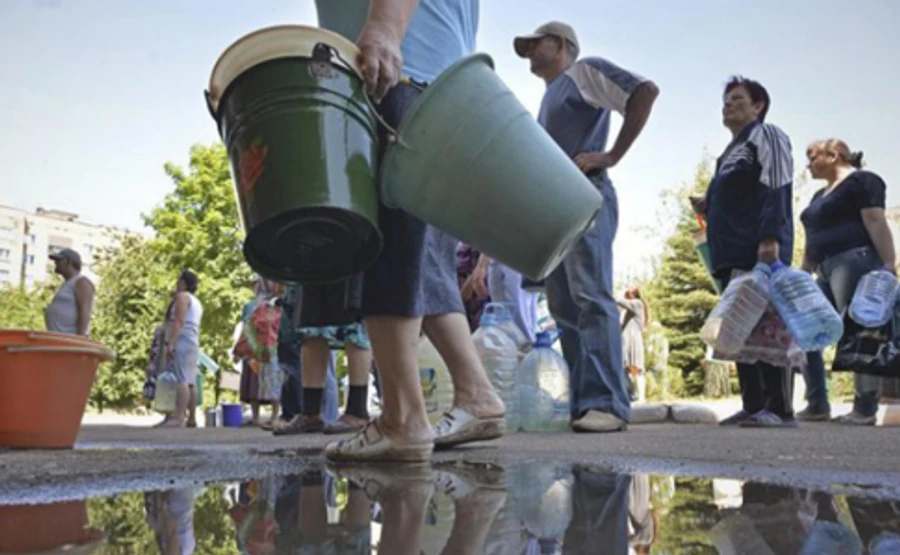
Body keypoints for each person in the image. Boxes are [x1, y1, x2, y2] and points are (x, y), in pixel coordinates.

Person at [315, 0, 505, 462]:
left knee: (384, 240)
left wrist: (382, 27)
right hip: (444, 87)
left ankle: (403, 417)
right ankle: (477, 394)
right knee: (426, 260)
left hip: (397, 72)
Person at [513, 21, 659, 432]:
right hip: (556, 207)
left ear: (561, 44)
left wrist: (610, 155)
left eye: (535, 44)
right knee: (562, 304)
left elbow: (644, 91)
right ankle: (582, 403)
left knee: (590, 294)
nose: (528, 53)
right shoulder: (549, 97)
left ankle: (608, 404)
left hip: (584, 195)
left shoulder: (583, 72)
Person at [700, 76, 796, 428]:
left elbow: (776, 183)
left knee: (769, 324)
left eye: (737, 99)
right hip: (730, 253)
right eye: (725, 99)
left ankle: (780, 407)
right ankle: (754, 404)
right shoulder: (729, 152)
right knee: (739, 324)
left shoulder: (766, 134)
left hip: (760, 248)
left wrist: (771, 238)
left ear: (758, 106)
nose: (727, 104)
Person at [798, 139, 897, 425]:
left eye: (812, 156)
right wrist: (804, 272)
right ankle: (817, 402)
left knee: (857, 329)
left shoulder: (863, 181)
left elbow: (875, 221)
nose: (807, 163)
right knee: (806, 325)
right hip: (823, 267)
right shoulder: (818, 196)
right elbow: (813, 237)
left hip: (854, 259)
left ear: (834, 155)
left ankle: (864, 407)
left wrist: (889, 264)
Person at [273, 281, 373, 436]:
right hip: (312, 263)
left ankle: (357, 411)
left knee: (354, 323)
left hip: (352, 261)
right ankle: (310, 413)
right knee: (310, 325)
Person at [157, 270, 204, 428]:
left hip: (182, 339)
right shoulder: (196, 301)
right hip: (192, 339)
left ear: (184, 283)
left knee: (180, 378)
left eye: (178, 281)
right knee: (190, 380)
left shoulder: (182, 297)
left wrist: (171, 342)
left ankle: (178, 416)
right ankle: (191, 418)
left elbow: (179, 321)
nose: (176, 284)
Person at [44, 248, 95, 336]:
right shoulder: (67, 284)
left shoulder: (81, 282)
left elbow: (85, 309)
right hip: (59, 340)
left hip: (71, 342)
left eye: (59, 260)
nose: (56, 263)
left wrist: (80, 337)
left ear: (69, 262)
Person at [618, 287, 649, 403]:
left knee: (636, 367)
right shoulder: (629, 308)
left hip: (633, 339)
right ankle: (631, 394)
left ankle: (640, 397)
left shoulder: (637, 304)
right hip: (627, 340)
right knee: (626, 368)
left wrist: (619, 293)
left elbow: (619, 300)